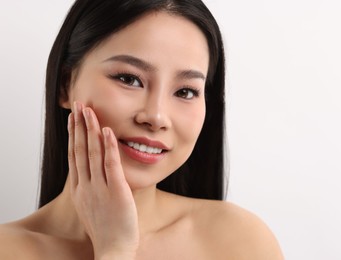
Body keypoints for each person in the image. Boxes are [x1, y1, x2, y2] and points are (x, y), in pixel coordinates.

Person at [0, 0, 284, 259]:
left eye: (185, 91)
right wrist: (115, 249)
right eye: (129, 78)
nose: (157, 116)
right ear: (65, 85)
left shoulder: (238, 241)